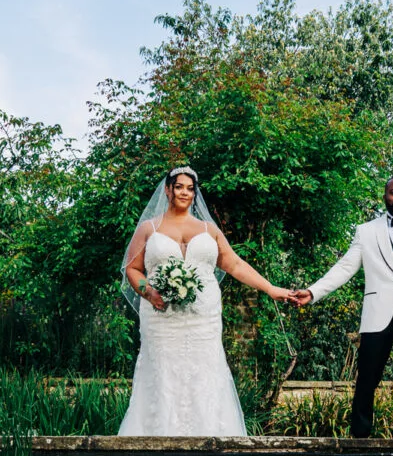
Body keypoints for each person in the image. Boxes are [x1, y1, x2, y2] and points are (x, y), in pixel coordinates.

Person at [119, 166, 294, 436]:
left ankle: (210, 439)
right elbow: (132, 269)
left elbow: (234, 264)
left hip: (204, 317)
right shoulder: (148, 228)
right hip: (161, 317)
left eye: (190, 188)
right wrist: (150, 292)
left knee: (205, 373)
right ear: (168, 190)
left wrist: (271, 289)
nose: (185, 193)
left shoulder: (208, 229)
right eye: (179, 187)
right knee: (163, 373)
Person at [289, 177, 393, 438]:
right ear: (385, 196)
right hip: (377, 316)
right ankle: (359, 442)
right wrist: (313, 291)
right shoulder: (366, 231)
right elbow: (345, 267)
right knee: (366, 382)